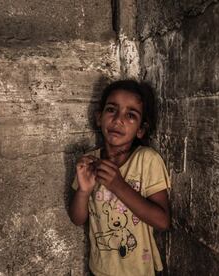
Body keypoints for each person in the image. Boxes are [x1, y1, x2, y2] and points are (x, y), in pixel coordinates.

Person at [69, 80, 171, 276]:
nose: (118, 120)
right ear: (99, 118)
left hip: (139, 271)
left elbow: (162, 221)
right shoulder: (89, 163)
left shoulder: (147, 160)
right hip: (99, 270)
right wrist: (84, 191)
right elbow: (77, 218)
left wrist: (118, 186)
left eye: (130, 115)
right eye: (111, 110)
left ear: (141, 129)